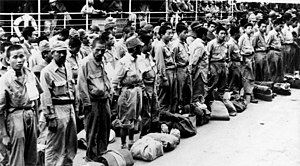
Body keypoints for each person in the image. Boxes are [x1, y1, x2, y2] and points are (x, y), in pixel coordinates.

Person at [0, 44, 43, 166]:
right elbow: (0, 110)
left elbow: (35, 99)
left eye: (21, 56)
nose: (19, 60)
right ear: (8, 60)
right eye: (14, 57)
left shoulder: (30, 74)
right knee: (17, 157)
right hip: (15, 117)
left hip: (30, 114)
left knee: (32, 155)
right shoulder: (5, 80)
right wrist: (4, 135)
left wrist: (37, 123)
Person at [40, 40, 77, 166]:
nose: (62, 55)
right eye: (58, 52)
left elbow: (72, 87)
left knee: (71, 145)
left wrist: (76, 108)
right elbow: (45, 96)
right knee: (55, 147)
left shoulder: (67, 66)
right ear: (52, 53)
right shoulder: (47, 71)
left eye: (64, 52)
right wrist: (50, 117)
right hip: (57, 109)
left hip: (70, 107)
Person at [77, 37, 112, 161]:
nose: (100, 53)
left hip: (105, 100)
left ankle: (102, 155)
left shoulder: (103, 61)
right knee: (92, 132)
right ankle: (90, 157)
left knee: (105, 129)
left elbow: (107, 79)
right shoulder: (85, 63)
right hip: (93, 102)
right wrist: (86, 104)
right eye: (97, 50)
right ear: (92, 48)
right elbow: (82, 85)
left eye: (103, 50)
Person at [112, 36, 144, 149]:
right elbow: (115, 81)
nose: (141, 49)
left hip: (137, 91)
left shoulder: (138, 60)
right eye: (139, 47)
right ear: (135, 48)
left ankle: (131, 142)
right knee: (126, 120)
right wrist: (117, 96)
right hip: (127, 92)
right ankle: (123, 144)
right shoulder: (123, 62)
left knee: (134, 118)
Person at [154, 25, 177, 113]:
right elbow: (160, 63)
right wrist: (163, 77)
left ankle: (170, 116)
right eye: (168, 33)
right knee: (164, 97)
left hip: (172, 71)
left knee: (172, 96)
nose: (171, 35)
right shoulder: (160, 46)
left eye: (172, 33)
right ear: (162, 35)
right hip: (166, 72)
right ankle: (162, 116)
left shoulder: (170, 45)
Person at [207, 26, 229, 101]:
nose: (223, 35)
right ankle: (209, 100)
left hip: (222, 64)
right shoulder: (211, 43)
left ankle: (220, 100)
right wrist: (208, 69)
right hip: (214, 64)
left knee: (223, 83)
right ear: (216, 34)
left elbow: (227, 56)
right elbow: (208, 56)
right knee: (213, 83)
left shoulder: (226, 44)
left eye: (224, 34)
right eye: (221, 33)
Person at [172, 23, 191, 111]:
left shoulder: (185, 44)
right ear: (179, 33)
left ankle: (185, 107)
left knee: (187, 89)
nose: (186, 35)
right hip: (180, 69)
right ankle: (179, 107)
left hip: (186, 68)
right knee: (180, 90)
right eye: (185, 32)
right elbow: (173, 59)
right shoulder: (175, 45)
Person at [189, 27, 208, 104]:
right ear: (203, 35)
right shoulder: (200, 46)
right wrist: (193, 71)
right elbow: (195, 60)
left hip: (198, 70)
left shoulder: (195, 43)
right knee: (198, 91)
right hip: (200, 72)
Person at [239, 23, 257, 104]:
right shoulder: (242, 37)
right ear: (245, 29)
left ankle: (250, 94)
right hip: (245, 59)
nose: (250, 29)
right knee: (246, 78)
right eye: (248, 28)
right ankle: (247, 95)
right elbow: (239, 49)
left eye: (251, 28)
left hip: (251, 58)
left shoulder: (251, 38)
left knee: (251, 77)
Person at [266, 18, 284, 83]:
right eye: (279, 26)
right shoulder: (271, 33)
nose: (280, 28)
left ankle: (278, 83)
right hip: (273, 51)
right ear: (275, 25)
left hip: (279, 51)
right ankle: (271, 82)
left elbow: (282, 41)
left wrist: (280, 35)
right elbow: (267, 43)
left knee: (279, 68)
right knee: (273, 68)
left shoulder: (279, 33)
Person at [227, 26, 243, 94]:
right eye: (238, 33)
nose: (239, 34)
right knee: (233, 81)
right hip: (234, 64)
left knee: (238, 80)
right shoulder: (231, 43)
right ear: (235, 33)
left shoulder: (235, 42)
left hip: (238, 64)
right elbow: (228, 56)